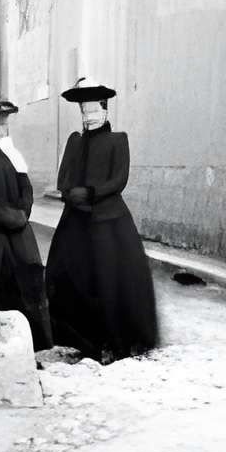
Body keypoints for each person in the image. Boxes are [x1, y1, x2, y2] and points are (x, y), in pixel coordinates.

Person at [44, 80, 159, 363]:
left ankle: (117, 341)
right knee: (70, 275)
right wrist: (70, 194)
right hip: (76, 221)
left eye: (94, 110)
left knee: (112, 279)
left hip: (109, 220)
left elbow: (119, 179)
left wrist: (92, 193)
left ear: (105, 110)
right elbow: (63, 177)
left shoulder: (118, 140)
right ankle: (82, 340)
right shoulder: (75, 141)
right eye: (85, 111)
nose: (89, 116)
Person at [0, 96, 51, 351]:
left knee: (26, 284)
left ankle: (30, 346)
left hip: (18, 234)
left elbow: (26, 188)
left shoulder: (12, 154)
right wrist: (9, 218)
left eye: (3, 123)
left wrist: (23, 213)